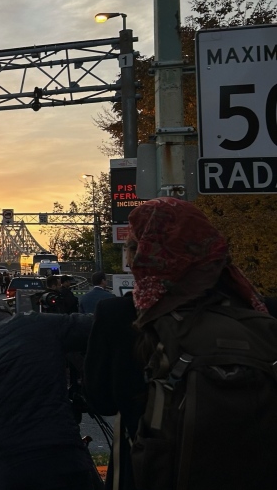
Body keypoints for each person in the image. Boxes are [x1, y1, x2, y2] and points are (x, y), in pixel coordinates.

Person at [84, 197, 277, 490]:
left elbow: (101, 400)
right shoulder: (262, 312)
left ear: (142, 254)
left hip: (154, 473)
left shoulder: (120, 315)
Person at [0, 297, 101, 490]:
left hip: (8, 468)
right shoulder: (34, 323)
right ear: (8, 313)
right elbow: (90, 327)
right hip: (60, 451)